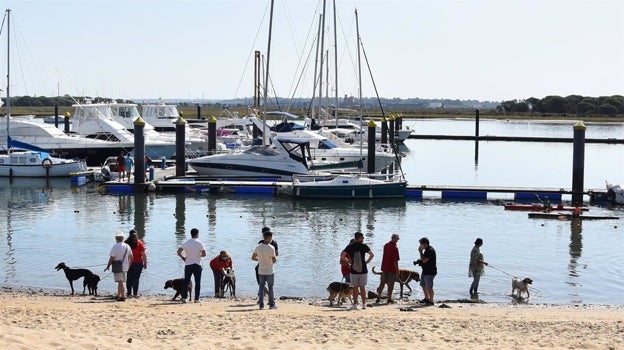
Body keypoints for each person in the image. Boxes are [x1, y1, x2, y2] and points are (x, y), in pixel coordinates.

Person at [341, 231, 374, 310]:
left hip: (353, 270)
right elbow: (372, 255)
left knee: (355, 287)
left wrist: (348, 261)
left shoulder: (350, 246)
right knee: (362, 287)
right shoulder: (364, 246)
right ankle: (363, 304)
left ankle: (355, 304)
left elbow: (343, 255)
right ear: (359, 238)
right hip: (363, 270)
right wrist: (367, 261)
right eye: (362, 237)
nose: (363, 239)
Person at [177, 228, 206, 303]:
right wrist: (199, 255)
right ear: (197, 234)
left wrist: (183, 258)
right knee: (197, 282)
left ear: (191, 234)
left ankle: (184, 298)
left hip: (188, 264)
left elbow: (178, 251)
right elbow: (204, 254)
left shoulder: (186, 242)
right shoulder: (200, 243)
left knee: (186, 281)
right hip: (197, 264)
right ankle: (196, 298)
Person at [252, 230, 277, 309]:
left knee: (261, 287)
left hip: (261, 270)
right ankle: (271, 304)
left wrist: (260, 260)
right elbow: (274, 260)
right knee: (271, 287)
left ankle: (261, 305)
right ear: (269, 238)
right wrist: (270, 261)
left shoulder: (258, 247)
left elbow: (253, 257)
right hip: (269, 270)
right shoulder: (271, 247)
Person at [105, 231, 133, 302]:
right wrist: (129, 264)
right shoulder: (127, 246)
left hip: (118, 267)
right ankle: (118, 294)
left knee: (120, 282)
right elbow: (131, 256)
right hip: (125, 266)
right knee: (120, 281)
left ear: (116, 238)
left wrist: (108, 265)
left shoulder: (115, 246)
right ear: (123, 238)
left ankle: (122, 296)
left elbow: (112, 257)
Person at [375, 233, 400, 304]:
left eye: (398, 239)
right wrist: (397, 270)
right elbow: (395, 261)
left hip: (384, 267)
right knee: (391, 284)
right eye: (397, 239)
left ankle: (378, 297)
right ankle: (389, 298)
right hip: (391, 269)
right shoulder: (395, 248)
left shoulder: (386, 245)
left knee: (382, 283)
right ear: (393, 238)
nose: (397, 240)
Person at [255, 226, 278, 299]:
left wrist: (261, 259)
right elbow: (276, 254)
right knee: (269, 285)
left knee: (261, 284)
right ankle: (269, 298)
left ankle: (263, 297)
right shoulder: (274, 243)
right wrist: (270, 259)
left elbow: (255, 255)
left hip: (260, 265)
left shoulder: (260, 243)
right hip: (270, 266)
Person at [125, 229, 147, 298]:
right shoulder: (139, 243)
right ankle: (135, 294)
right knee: (136, 278)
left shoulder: (126, 243)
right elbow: (143, 254)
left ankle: (128, 293)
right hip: (138, 263)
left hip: (128, 263)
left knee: (129, 278)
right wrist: (145, 263)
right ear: (136, 235)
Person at [416, 237, 436, 305]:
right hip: (425, 270)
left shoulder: (430, 250)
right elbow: (423, 260)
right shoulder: (427, 249)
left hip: (430, 272)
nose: (420, 245)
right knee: (423, 284)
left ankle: (431, 300)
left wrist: (420, 252)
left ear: (425, 244)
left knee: (429, 287)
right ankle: (426, 298)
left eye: (421, 244)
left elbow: (424, 260)